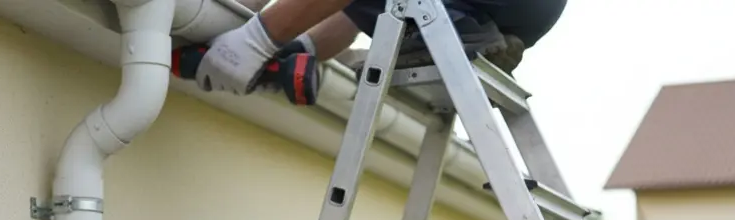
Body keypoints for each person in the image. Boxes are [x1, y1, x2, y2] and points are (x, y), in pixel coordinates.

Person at [195, 0, 567, 98]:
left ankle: (457, 25)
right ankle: (455, 25)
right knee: (398, 8)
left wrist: (252, 39)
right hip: (523, 12)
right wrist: (297, 50)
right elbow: (359, 13)